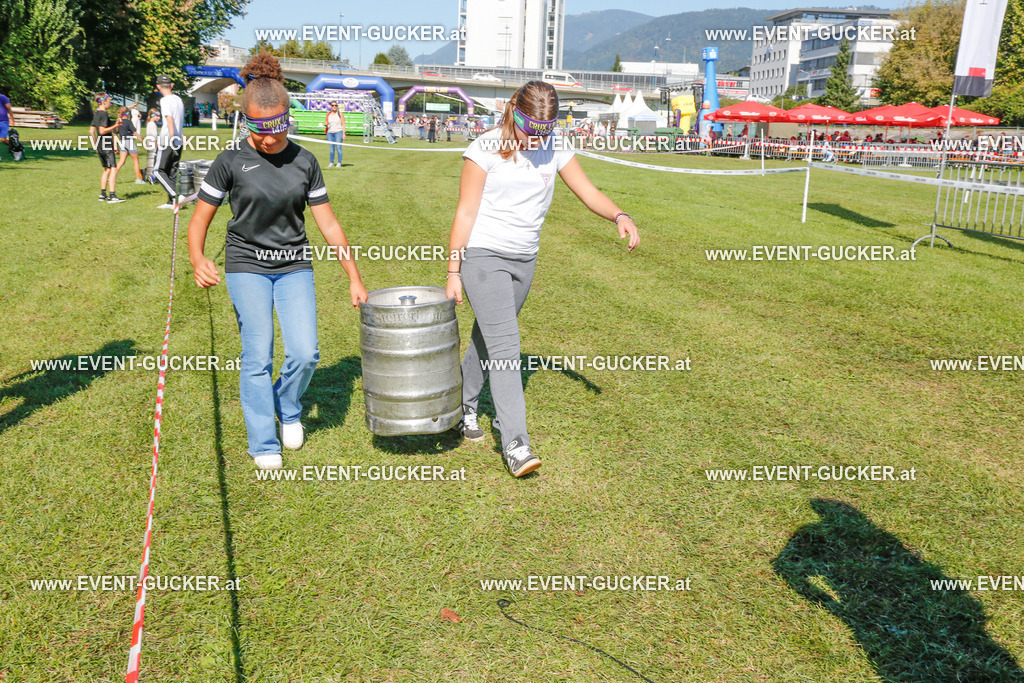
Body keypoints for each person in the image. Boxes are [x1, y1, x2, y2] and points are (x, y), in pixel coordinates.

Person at [445, 80, 640, 478]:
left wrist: (620, 215)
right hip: (483, 256)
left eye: (545, 132)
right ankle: (516, 442)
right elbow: (465, 213)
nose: (537, 140)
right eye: (531, 130)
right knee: (506, 347)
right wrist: (452, 270)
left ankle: (463, 406)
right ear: (514, 113)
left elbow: (588, 192)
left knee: (488, 337)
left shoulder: (557, 147)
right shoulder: (483, 149)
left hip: (524, 261)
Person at [186, 53, 368, 471]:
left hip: (293, 265)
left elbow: (329, 224)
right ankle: (263, 441)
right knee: (258, 355)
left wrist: (354, 277)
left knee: (305, 353)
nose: (269, 140)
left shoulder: (305, 161)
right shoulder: (230, 162)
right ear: (246, 121)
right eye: (259, 130)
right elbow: (200, 218)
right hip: (246, 263)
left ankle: (288, 407)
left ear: (288, 118)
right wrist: (197, 258)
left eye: (276, 129)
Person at [153, 74, 185, 209]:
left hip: (168, 140)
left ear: (158, 86)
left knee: (157, 171)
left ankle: (176, 196)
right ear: (171, 85)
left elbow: (170, 119)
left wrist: (171, 138)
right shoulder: (178, 99)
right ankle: (172, 202)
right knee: (172, 171)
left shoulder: (165, 100)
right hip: (178, 140)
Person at [89, 94, 124, 203]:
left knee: (106, 169)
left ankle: (103, 194)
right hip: (106, 144)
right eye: (109, 101)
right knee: (113, 168)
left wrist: (96, 145)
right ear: (103, 102)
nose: (111, 103)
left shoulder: (97, 113)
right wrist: (116, 125)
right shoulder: (103, 114)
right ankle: (112, 196)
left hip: (100, 145)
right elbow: (102, 131)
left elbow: (91, 131)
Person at [114, 106, 145, 184]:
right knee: (135, 161)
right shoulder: (128, 122)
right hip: (129, 142)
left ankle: (111, 176)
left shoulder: (118, 122)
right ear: (127, 114)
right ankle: (138, 179)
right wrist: (142, 141)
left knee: (121, 161)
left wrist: (115, 146)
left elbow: (115, 135)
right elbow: (135, 133)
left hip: (122, 142)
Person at [324, 100, 346, 168]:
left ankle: (339, 162)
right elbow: (327, 123)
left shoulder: (340, 114)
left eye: (335, 105)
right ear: (331, 106)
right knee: (331, 149)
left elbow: (343, 124)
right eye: (333, 105)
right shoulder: (328, 114)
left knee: (338, 147)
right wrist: (326, 124)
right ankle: (331, 162)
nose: (334, 106)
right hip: (330, 132)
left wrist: (344, 133)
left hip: (338, 132)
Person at [144, 109, 160, 181]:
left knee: (152, 161)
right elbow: (154, 137)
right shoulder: (152, 124)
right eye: (158, 116)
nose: (159, 118)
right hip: (153, 145)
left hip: (150, 145)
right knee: (153, 161)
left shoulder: (150, 124)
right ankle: (151, 176)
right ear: (153, 116)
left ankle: (149, 174)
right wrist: (157, 145)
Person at [0, 91, 12, 160]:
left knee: (3, 139)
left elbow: (9, 109)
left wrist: (12, 119)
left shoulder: (2, 97)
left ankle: (15, 147)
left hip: (3, 121)